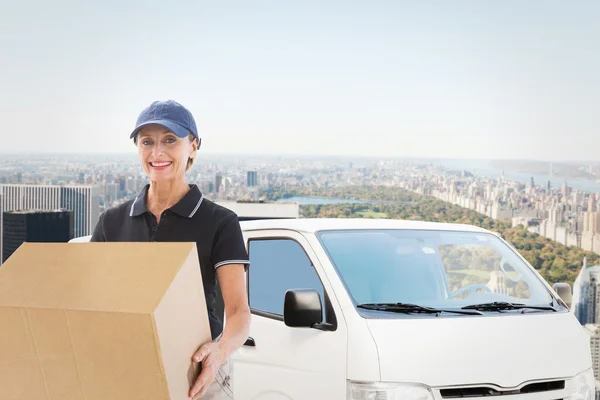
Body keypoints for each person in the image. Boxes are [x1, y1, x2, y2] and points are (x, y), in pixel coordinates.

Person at [90, 100, 251, 399]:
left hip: (200, 373)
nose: (157, 152)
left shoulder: (220, 222)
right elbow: (93, 304)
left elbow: (239, 311)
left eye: (169, 140)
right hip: (130, 369)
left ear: (193, 146)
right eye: (147, 142)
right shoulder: (111, 222)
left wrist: (220, 351)